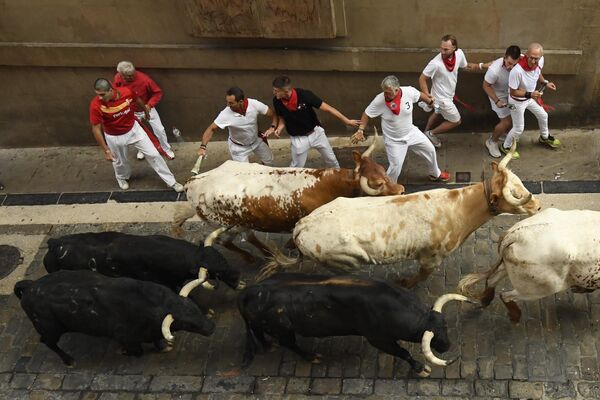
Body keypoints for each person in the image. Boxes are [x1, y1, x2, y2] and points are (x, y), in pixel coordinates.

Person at [89, 78, 183, 192]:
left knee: (154, 154)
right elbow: (96, 129)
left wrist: (146, 111)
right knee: (119, 161)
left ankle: (171, 182)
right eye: (97, 94)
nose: (99, 97)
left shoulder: (126, 92)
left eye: (102, 94)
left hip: (134, 131)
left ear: (111, 90)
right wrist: (106, 150)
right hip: (114, 137)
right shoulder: (96, 105)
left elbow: (137, 99)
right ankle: (121, 178)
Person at [351, 75, 449, 183]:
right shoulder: (379, 100)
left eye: (388, 92)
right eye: (384, 92)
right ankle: (390, 187)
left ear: (397, 90)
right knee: (395, 167)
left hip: (411, 133)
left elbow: (420, 95)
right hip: (394, 140)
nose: (386, 95)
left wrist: (430, 102)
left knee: (430, 149)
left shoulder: (409, 92)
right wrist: (361, 130)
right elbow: (366, 114)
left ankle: (435, 174)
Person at [270, 76, 360, 168]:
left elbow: (328, 109)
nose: (274, 93)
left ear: (286, 91)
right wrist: (279, 128)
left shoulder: (305, 95)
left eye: (276, 91)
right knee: (296, 167)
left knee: (332, 161)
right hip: (298, 139)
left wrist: (347, 121)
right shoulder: (276, 101)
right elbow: (282, 117)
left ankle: (337, 179)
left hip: (316, 133)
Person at [419, 34, 491, 147]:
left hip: (447, 95)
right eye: (441, 48)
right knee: (456, 121)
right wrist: (427, 97)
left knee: (437, 113)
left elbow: (466, 66)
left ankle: (424, 134)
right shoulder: (435, 63)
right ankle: (431, 133)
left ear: (454, 48)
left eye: (446, 49)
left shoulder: (459, 54)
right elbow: (422, 79)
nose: (442, 52)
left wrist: (482, 66)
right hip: (441, 98)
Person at [502, 42, 560, 157]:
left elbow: (538, 72)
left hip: (529, 98)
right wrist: (530, 94)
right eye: (531, 58)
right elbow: (513, 92)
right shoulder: (516, 71)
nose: (533, 62)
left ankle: (544, 137)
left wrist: (545, 82)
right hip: (517, 102)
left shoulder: (540, 61)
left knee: (543, 115)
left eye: (536, 59)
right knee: (518, 128)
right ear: (526, 55)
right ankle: (506, 147)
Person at [198, 87, 276, 166]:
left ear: (241, 102)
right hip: (239, 148)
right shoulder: (225, 114)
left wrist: (272, 127)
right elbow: (211, 129)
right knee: (244, 172)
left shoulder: (254, 104)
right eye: (227, 102)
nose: (228, 105)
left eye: (231, 103)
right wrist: (202, 147)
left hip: (256, 141)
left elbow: (272, 114)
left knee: (269, 162)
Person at [114, 61, 175, 160]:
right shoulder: (118, 78)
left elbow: (157, 92)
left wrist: (149, 105)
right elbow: (116, 92)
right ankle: (142, 150)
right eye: (126, 76)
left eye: (132, 75)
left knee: (160, 130)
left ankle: (166, 149)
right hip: (131, 110)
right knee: (138, 133)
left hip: (147, 108)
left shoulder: (144, 79)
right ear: (121, 74)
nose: (129, 78)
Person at [482, 45, 521, 159]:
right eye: (509, 63)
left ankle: (503, 134)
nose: (511, 67)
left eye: (514, 64)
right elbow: (485, 86)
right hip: (498, 96)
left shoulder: (523, 58)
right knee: (507, 121)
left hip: (511, 94)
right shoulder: (494, 70)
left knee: (515, 114)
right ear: (504, 57)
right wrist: (497, 100)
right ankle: (492, 141)